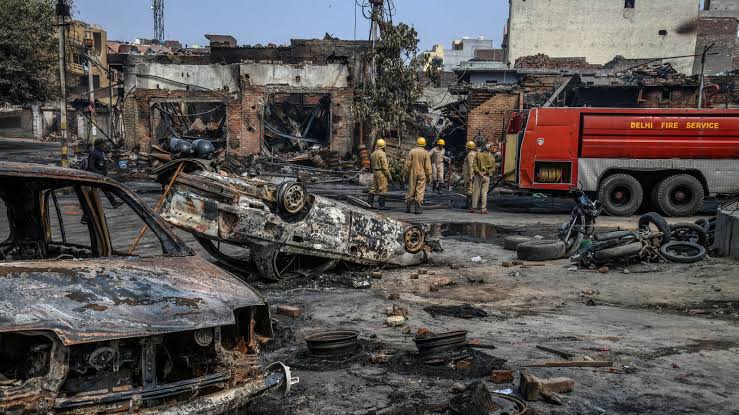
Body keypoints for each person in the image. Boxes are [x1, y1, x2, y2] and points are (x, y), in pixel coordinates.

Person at [86, 139, 123, 208]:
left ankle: (113, 203)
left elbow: (99, 163)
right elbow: (91, 166)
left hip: (99, 175)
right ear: (98, 145)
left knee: (103, 189)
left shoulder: (99, 152)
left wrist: (106, 164)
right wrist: (98, 173)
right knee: (98, 189)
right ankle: (88, 205)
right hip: (96, 175)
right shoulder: (94, 153)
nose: (104, 146)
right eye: (102, 145)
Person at [405, 137, 432, 214]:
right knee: (420, 190)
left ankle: (408, 207)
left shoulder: (412, 151)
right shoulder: (426, 153)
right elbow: (428, 166)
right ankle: (418, 209)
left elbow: (407, 164)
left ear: (417, 143)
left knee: (411, 189)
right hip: (421, 173)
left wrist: (406, 174)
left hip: (413, 173)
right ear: (424, 144)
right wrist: (429, 176)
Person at [367, 138, 392, 210]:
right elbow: (385, 166)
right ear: (383, 146)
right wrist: (389, 176)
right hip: (381, 172)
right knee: (383, 188)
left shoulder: (373, 153)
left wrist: (373, 171)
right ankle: (382, 205)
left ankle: (369, 203)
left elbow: (371, 165)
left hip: (375, 171)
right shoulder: (382, 154)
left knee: (373, 188)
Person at [471, 143, 495, 214]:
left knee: (476, 192)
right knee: (484, 193)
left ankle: (473, 208)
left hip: (478, 176)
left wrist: (478, 172)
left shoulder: (478, 155)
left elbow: (474, 165)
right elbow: (493, 168)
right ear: (489, 149)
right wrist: (486, 172)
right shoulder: (492, 157)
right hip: (486, 176)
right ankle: (483, 209)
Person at [462, 141, 477, 209]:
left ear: (468, 148)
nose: (465, 148)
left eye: (466, 147)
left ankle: (470, 205)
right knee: (470, 189)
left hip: (469, 175)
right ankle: (469, 204)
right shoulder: (474, 153)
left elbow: (471, 166)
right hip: (469, 174)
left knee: (469, 190)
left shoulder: (470, 155)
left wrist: (470, 176)